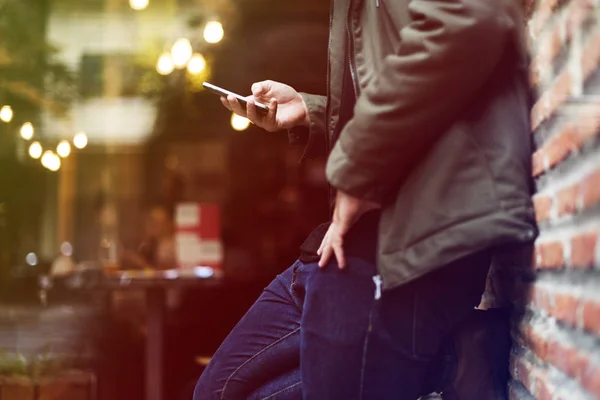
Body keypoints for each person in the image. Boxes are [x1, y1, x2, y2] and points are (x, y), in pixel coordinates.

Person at [195, 0, 536, 398]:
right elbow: (393, 81)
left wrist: (357, 167)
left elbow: (470, 19)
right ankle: (450, 361)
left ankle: (456, 359)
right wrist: (312, 110)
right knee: (218, 392)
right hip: (347, 245)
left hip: (409, 243)